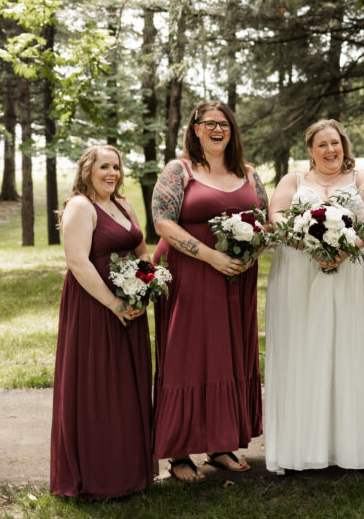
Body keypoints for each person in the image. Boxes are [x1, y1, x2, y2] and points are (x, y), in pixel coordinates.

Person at [264, 119, 364, 473]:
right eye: (322, 145)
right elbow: (276, 215)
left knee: (352, 347)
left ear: (344, 145)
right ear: (310, 150)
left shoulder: (362, 178)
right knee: (305, 348)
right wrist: (306, 243)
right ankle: (305, 443)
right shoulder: (293, 180)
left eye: (336, 143)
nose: (331, 150)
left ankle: (357, 441)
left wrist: (350, 246)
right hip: (300, 270)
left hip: (355, 271)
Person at [151, 101, 268, 482]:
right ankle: (179, 450)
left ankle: (220, 444)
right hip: (189, 274)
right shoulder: (179, 170)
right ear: (195, 128)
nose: (218, 129)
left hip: (236, 278)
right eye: (210, 123)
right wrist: (209, 257)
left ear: (232, 132)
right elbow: (163, 222)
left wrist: (252, 253)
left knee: (227, 355)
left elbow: (264, 223)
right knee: (187, 357)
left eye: (225, 125)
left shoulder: (248, 174)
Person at [50, 145, 154, 498]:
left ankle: (129, 471)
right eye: (104, 167)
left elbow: (141, 249)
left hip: (131, 306)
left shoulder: (123, 204)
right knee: (100, 386)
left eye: (116, 167)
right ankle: (99, 478)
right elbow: (77, 263)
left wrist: (148, 283)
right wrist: (114, 304)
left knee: (127, 386)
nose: (112, 173)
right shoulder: (80, 206)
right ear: (87, 171)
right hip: (96, 308)